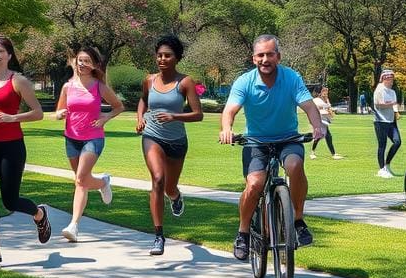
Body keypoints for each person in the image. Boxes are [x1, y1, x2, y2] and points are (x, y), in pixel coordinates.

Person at [219, 34, 325, 260]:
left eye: (270, 54)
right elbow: (230, 110)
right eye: (260, 55)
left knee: (295, 166)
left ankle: (297, 220)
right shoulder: (244, 82)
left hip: (288, 139)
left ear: (278, 56)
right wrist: (226, 128)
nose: (265, 59)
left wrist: (317, 126)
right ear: (253, 58)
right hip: (256, 141)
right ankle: (243, 232)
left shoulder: (291, 78)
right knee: (255, 183)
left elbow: (308, 106)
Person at [0, 34, 49, 267]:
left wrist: (12, 117)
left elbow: (38, 113)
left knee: (10, 201)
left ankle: (39, 214)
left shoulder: (18, 81)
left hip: (11, 147)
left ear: (9, 56)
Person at [137, 35, 203, 255]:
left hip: (176, 141)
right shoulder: (149, 80)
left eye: (167, 55)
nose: (162, 59)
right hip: (152, 136)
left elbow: (198, 115)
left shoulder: (185, 82)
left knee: (169, 187)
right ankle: (158, 236)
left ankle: (175, 196)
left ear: (177, 58)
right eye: (159, 55)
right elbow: (144, 100)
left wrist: (175, 116)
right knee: (157, 179)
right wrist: (140, 118)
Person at [55, 45, 123, 244]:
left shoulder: (98, 86)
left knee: (80, 180)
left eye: (87, 61)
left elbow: (119, 106)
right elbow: (58, 111)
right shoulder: (68, 86)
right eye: (80, 60)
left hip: (93, 138)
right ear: (75, 61)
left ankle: (73, 226)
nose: (82, 64)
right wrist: (59, 114)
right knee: (81, 180)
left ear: (94, 65)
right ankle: (103, 182)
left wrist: (106, 118)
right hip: (71, 138)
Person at [373, 69, 401, 178]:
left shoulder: (392, 92)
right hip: (380, 121)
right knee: (382, 145)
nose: (391, 81)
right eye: (389, 79)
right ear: (384, 79)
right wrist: (391, 104)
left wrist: (396, 111)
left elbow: (394, 105)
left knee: (397, 142)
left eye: (392, 79)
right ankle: (381, 169)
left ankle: (387, 164)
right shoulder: (379, 90)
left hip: (391, 121)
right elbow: (378, 104)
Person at [309, 87, 344, 160]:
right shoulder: (316, 100)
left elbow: (329, 108)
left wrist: (330, 111)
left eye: (326, 92)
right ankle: (332, 154)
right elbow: (313, 109)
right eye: (324, 92)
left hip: (325, 120)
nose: (326, 94)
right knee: (325, 136)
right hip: (319, 120)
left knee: (323, 136)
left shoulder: (326, 100)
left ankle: (313, 152)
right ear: (320, 93)